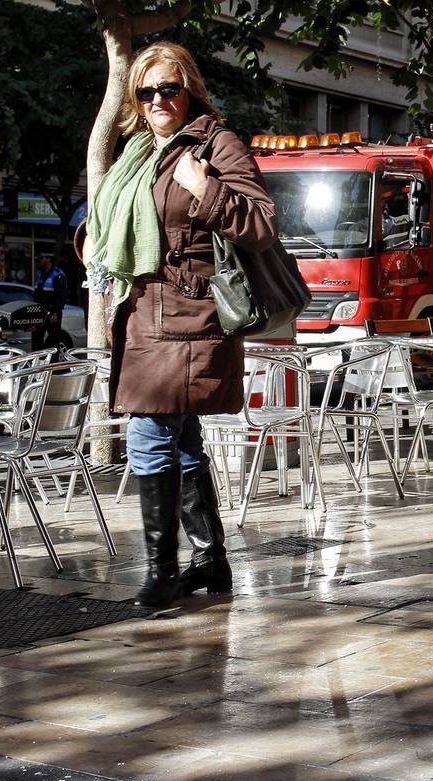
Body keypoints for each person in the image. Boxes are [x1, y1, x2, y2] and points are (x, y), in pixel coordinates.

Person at [84, 41, 276, 607]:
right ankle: (210, 561)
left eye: (169, 88)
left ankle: (161, 570)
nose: (158, 99)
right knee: (182, 440)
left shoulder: (215, 144)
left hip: (188, 319)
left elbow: (261, 222)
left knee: (148, 436)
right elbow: (114, 224)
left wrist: (205, 187)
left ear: (189, 88)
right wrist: (90, 242)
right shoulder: (138, 153)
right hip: (141, 315)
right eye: (146, 92)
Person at [31, 253, 69, 350]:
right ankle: (37, 362)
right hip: (39, 312)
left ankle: (52, 363)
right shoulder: (40, 273)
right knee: (36, 339)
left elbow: (61, 296)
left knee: (53, 340)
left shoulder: (57, 274)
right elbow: (36, 295)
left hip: (52, 312)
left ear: (48, 259)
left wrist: (55, 313)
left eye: (41, 258)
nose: (39, 260)